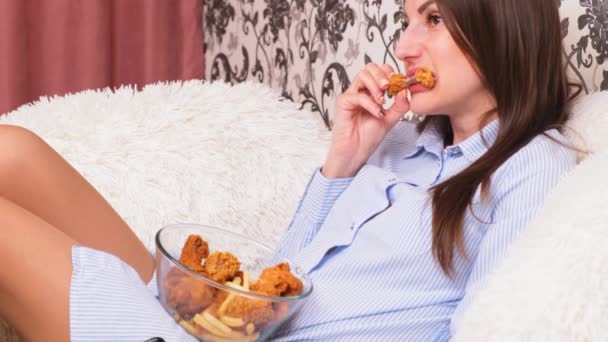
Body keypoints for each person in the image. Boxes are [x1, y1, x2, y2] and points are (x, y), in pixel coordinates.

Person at [0, 0, 578, 341]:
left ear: (503, 23)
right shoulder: (401, 142)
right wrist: (342, 162)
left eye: (431, 19)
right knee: (13, 150)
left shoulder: (534, 169)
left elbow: (492, 328)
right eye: (406, 21)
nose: (405, 46)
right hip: (225, 323)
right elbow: (284, 275)